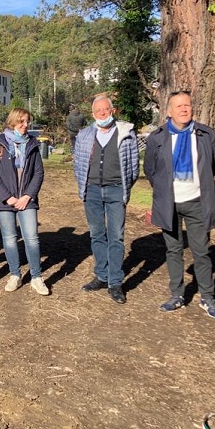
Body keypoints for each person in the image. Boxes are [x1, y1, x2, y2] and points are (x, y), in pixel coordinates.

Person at [144, 91, 215, 319]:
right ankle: (177, 295)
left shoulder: (205, 134)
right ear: (169, 111)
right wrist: (162, 190)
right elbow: (150, 170)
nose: (184, 109)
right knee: (173, 250)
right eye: (178, 106)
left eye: (187, 105)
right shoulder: (157, 138)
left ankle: (207, 297)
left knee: (202, 251)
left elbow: (210, 167)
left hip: (197, 202)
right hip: (169, 203)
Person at [73, 94, 139, 304]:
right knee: (96, 234)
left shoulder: (125, 133)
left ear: (112, 110)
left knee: (116, 236)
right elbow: (78, 164)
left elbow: (133, 166)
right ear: (93, 114)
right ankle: (101, 275)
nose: (102, 113)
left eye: (106, 109)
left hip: (115, 190)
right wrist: (83, 185)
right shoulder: (84, 135)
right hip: (91, 191)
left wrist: (124, 186)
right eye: (98, 111)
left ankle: (115, 281)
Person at [0, 108, 48, 295]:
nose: (25, 125)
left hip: (27, 199)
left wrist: (28, 195)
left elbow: (38, 172)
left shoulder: (32, 144)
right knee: (10, 239)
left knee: (32, 238)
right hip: (5, 200)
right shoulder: (0, 144)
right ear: (12, 123)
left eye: (27, 121)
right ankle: (15, 274)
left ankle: (36, 277)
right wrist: (8, 197)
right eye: (21, 121)